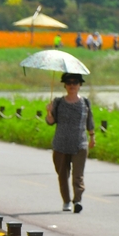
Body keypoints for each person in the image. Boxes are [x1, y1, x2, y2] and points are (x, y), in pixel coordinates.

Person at [46, 73, 94, 213]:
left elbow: (89, 121)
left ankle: (77, 200)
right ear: (65, 85)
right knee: (62, 174)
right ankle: (66, 201)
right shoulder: (58, 102)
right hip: (61, 143)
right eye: (69, 83)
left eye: (75, 82)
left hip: (80, 143)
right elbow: (50, 122)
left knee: (78, 175)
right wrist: (49, 112)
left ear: (80, 85)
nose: (72, 85)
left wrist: (92, 137)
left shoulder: (85, 102)